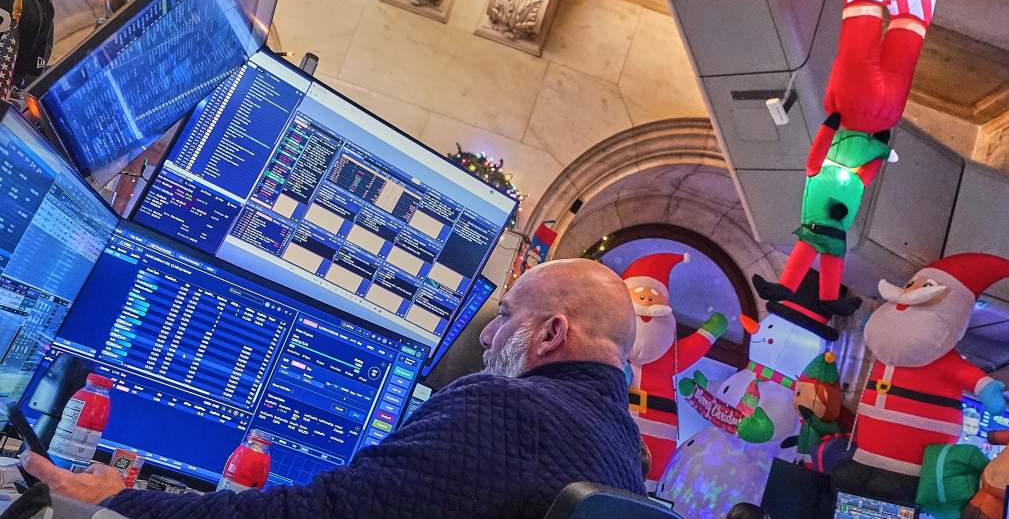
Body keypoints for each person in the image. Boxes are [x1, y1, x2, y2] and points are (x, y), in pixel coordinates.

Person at [20, 259, 644, 519]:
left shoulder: (505, 407)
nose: (487, 338)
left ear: (551, 332)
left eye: (504, 315)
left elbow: (321, 514)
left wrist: (124, 501)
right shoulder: (624, 455)